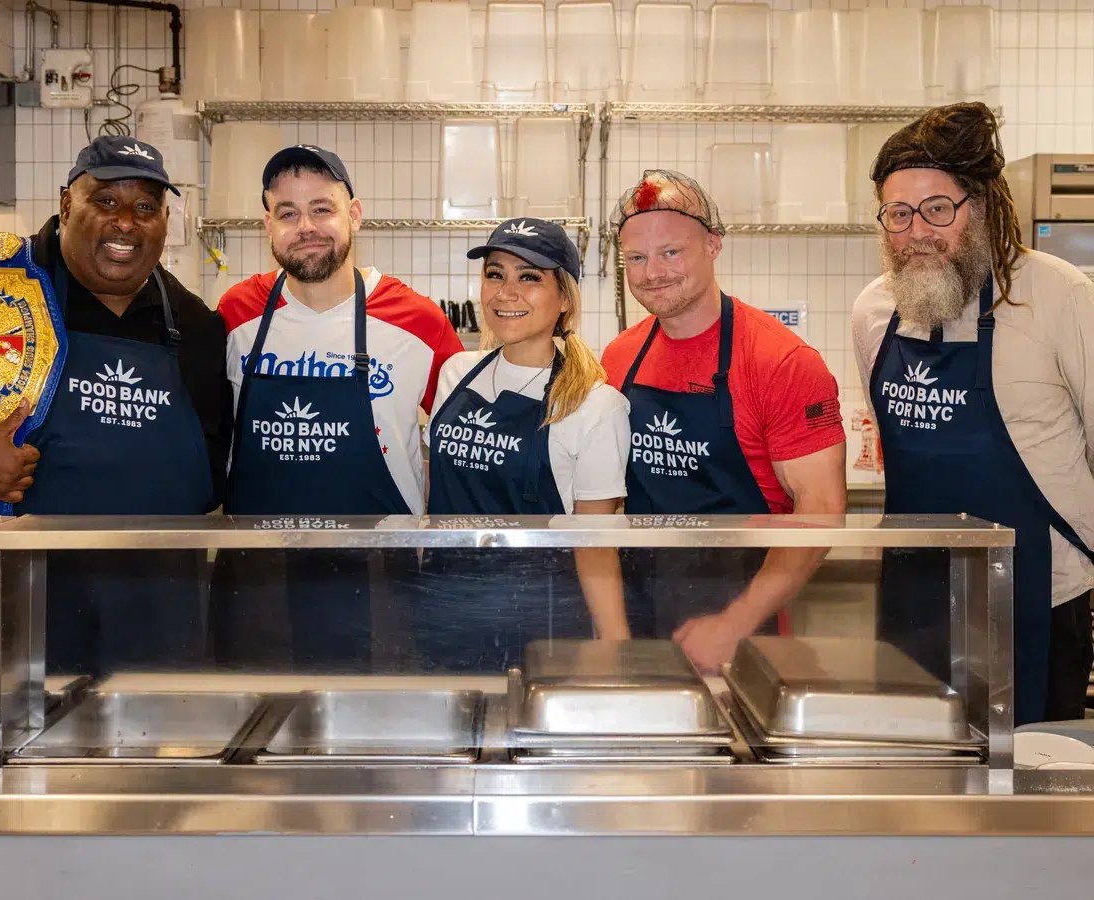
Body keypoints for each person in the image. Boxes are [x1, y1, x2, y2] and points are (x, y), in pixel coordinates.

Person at [0, 136, 234, 674]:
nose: (126, 222)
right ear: (66, 204)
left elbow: (211, 472)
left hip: (149, 624)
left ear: (165, 222)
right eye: (106, 201)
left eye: (145, 207)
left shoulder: (194, 325)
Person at [852, 102, 1094, 725]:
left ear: (980, 207)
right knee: (921, 772)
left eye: (938, 209)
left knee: (1035, 786)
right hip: (916, 590)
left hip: (1044, 591)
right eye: (898, 214)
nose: (917, 232)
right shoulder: (874, 310)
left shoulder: (1059, 295)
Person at [212, 145, 461, 670]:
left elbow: (461, 442)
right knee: (259, 731)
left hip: (380, 575)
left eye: (322, 208)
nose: (306, 226)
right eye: (288, 213)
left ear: (354, 214)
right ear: (268, 225)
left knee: (376, 732)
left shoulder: (418, 321)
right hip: (258, 576)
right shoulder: (235, 312)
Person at [601, 170, 847, 670]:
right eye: (637, 258)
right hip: (634, 611)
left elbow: (822, 507)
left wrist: (734, 624)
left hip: (740, 624)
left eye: (671, 252)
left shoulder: (780, 360)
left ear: (713, 246)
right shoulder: (621, 356)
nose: (652, 273)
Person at [416, 219, 631, 671]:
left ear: (565, 298)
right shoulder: (457, 372)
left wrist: (615, 648)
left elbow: (595, 545)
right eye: (496, 274)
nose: (505, 292)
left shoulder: (595, 404)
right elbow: (435, 502)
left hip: (541, 623)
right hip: (443, 608)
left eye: (529, 277)